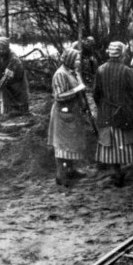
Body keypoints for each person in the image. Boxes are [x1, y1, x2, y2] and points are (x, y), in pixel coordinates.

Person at [93, 42, 133, 187]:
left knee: (110, 147)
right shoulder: (126, 70)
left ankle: (117, 177)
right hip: (126, 115)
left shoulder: (100, 70)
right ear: (122, 54)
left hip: (107, 115)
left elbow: (96, 94)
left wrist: (103, 108)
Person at [47, 48, 89, 187]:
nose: (79, 62)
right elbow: (58, 96)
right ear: (70, 60)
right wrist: (77, 89)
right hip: (62, 114)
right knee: (62, 146)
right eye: (76, 59)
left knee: (71, 145)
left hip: (72, 112)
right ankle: (61, 176)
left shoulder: (74, 72)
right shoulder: (60, 74)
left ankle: (71, 171)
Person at [0, 36, 30, 116]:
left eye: (3, 49)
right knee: (6, 102)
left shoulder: (14, 59)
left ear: (7, 48)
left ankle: (22, 115)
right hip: (6, 82)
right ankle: (7, 114)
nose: (0, 51)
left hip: (17, 82)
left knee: (20, 102)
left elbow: (7, 77)